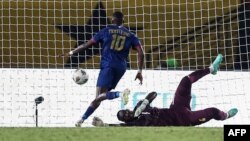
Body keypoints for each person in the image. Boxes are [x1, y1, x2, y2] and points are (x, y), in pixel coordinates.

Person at [92, 54, 238, 127]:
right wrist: (104, 125)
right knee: (212, 111)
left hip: (176, 108)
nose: (129, 113)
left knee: (185, 80)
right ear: (127, 120)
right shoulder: (134, 125)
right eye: (126, 116)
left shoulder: (138, 108)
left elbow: (153, 93)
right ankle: (225, 116)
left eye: (127, 111)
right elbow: (118, 127)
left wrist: (143, 104)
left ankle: (211, 69)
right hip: (182, 120)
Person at [59, 11, 144, 127]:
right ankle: (82, 120)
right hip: (121, 67)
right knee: (99, 98)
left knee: (99, 96)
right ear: (123, 21)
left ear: (112, 20)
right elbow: (141, 52)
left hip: (108, 65)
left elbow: (87, 44)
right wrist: (139, 71)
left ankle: (120, 94)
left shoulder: (106, 31)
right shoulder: (131, 35)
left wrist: (71, 52)